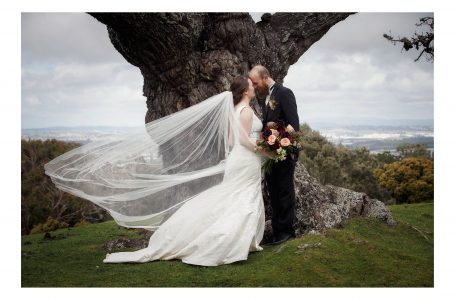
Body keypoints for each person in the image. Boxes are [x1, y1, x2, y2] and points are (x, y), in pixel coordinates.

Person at [45, 76, 273, 266]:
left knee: (233, 197)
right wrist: (264, 150)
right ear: (244, 91)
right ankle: (228, 243)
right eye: (251, 86)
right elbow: (242, 140)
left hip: (240, 161)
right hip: (245, 159)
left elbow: (232, 139)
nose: (254, 87)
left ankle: (241, 241)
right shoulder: (244, 112)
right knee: (239, 198)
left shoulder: (235, 110)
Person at [249, 65, 300, 245]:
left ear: (266, 77)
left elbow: (294, 125)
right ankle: (278, 233)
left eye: (255, 83)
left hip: (285, 153)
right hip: (271, 155)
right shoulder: (265, 99)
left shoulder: (285, 93)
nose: (254, 87)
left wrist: (287, 150)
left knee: (285, 192)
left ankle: (287, 232)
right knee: (274, 193)